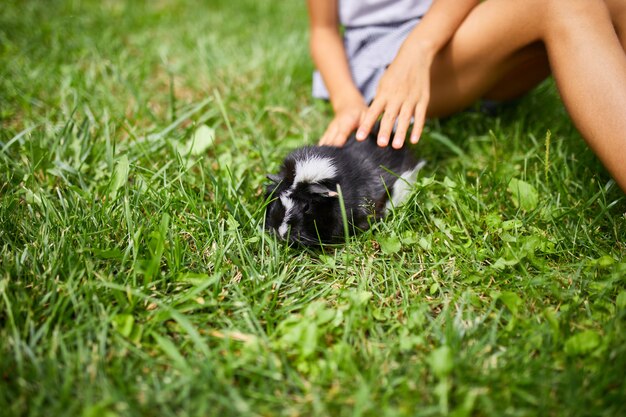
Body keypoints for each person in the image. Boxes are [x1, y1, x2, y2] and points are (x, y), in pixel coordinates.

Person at [307, 0, 626, 192]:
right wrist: (347, 100)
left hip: (450, 31)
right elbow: (323, 30)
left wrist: (419, 48)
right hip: (385, 56)